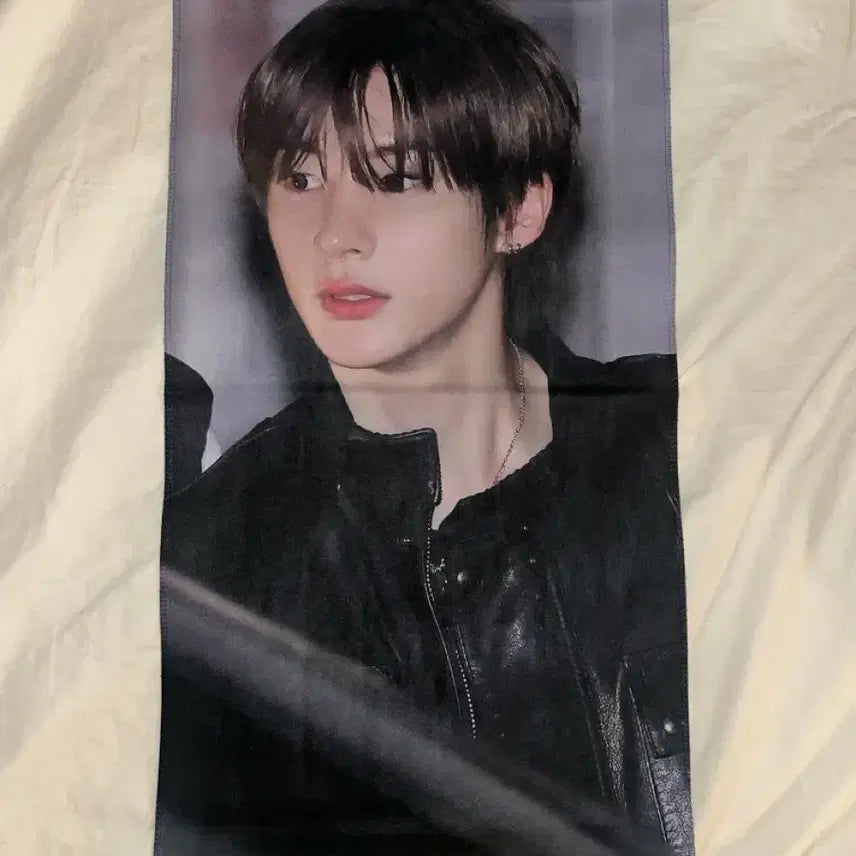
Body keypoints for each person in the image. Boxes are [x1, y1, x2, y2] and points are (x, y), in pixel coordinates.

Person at [159, 0, 693, 853]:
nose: (336, 234)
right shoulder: (213, 554)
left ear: (519, 209)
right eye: (301, 178)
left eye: (398, 178)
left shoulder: (681, 451)